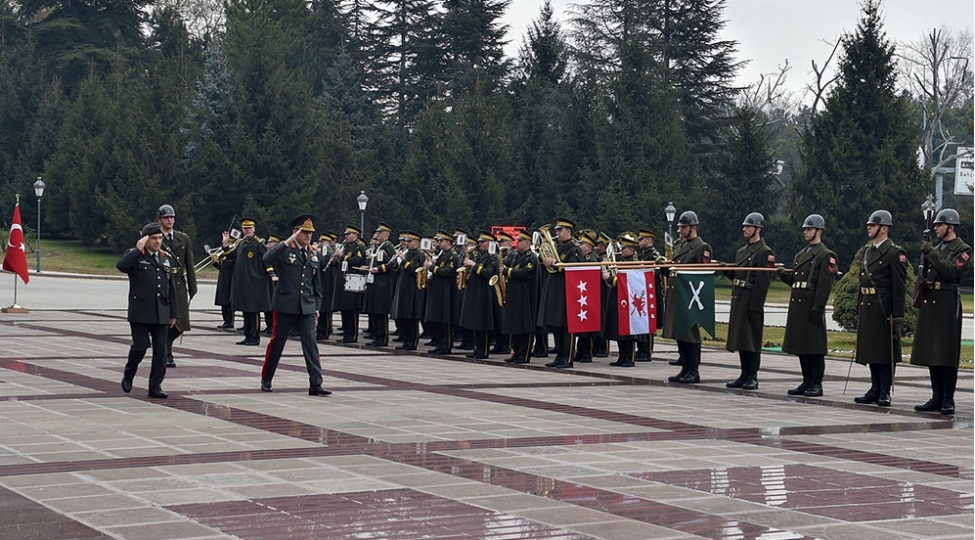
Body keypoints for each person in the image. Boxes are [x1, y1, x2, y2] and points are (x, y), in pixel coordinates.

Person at [260, 214, 331, 396]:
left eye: (310, 233)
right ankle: (267, 378)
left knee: (311, 345)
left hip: (306, 306)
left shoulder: (313, 254)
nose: (308, 236)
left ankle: (315, 383)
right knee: (277, 343)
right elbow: (267, 258)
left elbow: (317, 285)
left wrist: (316, 307)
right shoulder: (285, 250)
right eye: (304, 232)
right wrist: (286, 242)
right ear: (295, 232)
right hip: (285, 305)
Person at [910, 208, 971, 415]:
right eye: (935, 225)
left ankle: (947, 398)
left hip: (947, 302)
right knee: (932, 352)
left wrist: (930, 252)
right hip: (931, 300)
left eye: (940, 225)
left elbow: (951, 272)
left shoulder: (962, 249)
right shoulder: (937, 247)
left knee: (946, 352)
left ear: (951, 227)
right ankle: (936, 396)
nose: (936, 228)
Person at [777, 214, 838, 397]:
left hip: (812, 305)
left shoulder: (826, 255)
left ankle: (816, 383)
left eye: (809, 229)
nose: (805, 232)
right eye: (805, 229)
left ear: (819, 231)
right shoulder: (801, 254)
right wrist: (781, 274)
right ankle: (806, 380)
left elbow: (824, 285)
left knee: (814, 348)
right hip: (799, 306)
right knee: (802, 346)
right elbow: (796, 281)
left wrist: (818, 308)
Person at [853, 210, 908, 407]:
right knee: (871, 350)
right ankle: (874, 387)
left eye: (873, 224)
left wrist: (897, 315)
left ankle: (885, 389)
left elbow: (899, 288)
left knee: (885, 352)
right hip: (868, 306)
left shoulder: (894, 253)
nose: (869, 227)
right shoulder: (868, 252)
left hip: (884, 307)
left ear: (883, 228)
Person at [118, 222, 178, 399]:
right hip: (141, 312)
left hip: (161, 312)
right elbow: (121, 266)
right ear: (145, 239)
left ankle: (155, 387)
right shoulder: (135, 255)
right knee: (140, 347)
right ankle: (129, 374)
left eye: (160, 238)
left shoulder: (165, 258)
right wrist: (138, 249)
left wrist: (174, 312)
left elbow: (171, 287)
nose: (158, 241)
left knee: (161, 352)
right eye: (154, 238)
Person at [723, 212, 775, 390]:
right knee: (742, 339)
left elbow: (762, 283)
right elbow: (739, 276)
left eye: (748, 226)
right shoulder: (742, 251)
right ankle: (744, 373)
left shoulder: (765, 252)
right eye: (744, 226)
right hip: (739, 299)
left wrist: (755, 307)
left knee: (752, 340)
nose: (744, 229)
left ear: (758, 229)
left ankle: (752, 375)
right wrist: (726, 270)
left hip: (751, 300)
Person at [663, 210, 711, 383]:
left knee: (691, 334)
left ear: (693, 227)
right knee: (680, 333)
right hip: (678, 295)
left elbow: (702, 275)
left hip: (691, 296)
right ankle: (685, 367)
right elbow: (674, 270)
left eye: (683, 227)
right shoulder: (680, 246)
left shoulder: (701, 247)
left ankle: (693, 369)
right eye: (680, 227)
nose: (680, 230)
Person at [539, 218, 584, 369]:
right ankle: (560, 355)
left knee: (566, 326)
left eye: (559, 230)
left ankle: (568, 357)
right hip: (556, 290)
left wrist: (555, 264)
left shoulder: (574, 249)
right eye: (556, 230)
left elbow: (574, 268)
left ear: (568, 231)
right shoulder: (558, 247)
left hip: (568, 291)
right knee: (557, 325)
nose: (556, 233)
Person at [158, 204, 197, 368]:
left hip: (179, 283)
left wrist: (193, 287)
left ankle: (165, 346)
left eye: (172, 217)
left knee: (181, 321)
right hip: (163, 281)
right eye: (167, 217)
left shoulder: (183, 238)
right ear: (160, 219)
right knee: (166, 320)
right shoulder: (155, 237)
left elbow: (189, 263)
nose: (170, 220)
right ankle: (167, 352)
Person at [228, 218, 271, 346]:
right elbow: (231, 257)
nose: (247, 230)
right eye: (245, 228)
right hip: (243, 283)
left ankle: (254, 336)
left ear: (254, 229)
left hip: (255, 283)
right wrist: (225, 246)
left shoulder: (259, 244)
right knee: (245, 311)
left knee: (254, 311)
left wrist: (271, 274)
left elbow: (267, 261)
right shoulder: (241, 244)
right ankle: (247, 335)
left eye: (249, 228)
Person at [459, 231, 499, 358]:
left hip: (485, 294)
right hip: (475, 293)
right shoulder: (478, 256)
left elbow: (488, 273)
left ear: (489, 244)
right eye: (480, 242)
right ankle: (477, 348)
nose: (480, 244)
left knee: (483, 324)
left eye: (483, 242)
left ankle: (484, 350)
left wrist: (473, 265)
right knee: (476, 323)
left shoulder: (492, 257)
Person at [603, 233, 640, 367]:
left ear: (631, 249)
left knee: (628, 331)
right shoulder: (623, 262)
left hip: (629, 301)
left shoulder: (635, 263)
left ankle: (629, 357)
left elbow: (628, 281)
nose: (621, 250)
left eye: (624, 248)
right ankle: (622, 356)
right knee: (619, 329)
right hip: (619, 299)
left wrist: (610, 278)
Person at [501, 231, 538, 363]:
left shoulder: (530, 257)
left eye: (521, 241)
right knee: (515, 325)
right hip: (515, 296)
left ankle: (524, 353)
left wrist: (507, 271)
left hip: (525, 297)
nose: (518, 243)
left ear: (528, 243)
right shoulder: (517, 256)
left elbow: (525, 272)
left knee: (525, 326)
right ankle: (516, 351)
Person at [390, 231, 426, 350]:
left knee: (411, 317)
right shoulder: (408, 253)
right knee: (403, 316)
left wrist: (403, 260)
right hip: (403, 286)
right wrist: (395, 263)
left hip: (412, 288)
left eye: (409, 241)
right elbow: (398, 270)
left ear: (416, 242)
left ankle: (412, 341)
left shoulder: (419, 255)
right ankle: (405, 340)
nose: (406, 243)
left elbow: (414, 270)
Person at [424, 231, 459, 354]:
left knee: (445, 322)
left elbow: (446, 272)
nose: (438, 243)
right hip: (438, 291)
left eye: (441, 241)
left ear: (448, 242)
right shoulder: (442, 255)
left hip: (446, 292)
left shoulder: (452, 256)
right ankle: (439, 344)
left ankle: (446, 345)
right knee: (437, 320)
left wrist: (432, 267)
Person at [332, 225, 368, 343]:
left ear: (355, 235)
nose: (346, 236)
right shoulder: (346, 246)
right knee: (344, 309)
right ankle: (346, 333)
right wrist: (335, 260)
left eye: (348, 234)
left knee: (351, 310)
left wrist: (342, 256)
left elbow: (356, 262)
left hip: (353, 281)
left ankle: (352, 335)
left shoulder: (358, 248)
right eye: (346, 234)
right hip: (344, 280)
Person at [364, 223, 397, 346]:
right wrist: (367, 267)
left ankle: (382, 338)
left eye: (380, 232)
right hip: (374, 282)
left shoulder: (388, 246)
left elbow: (391, 263)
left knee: (381, 311)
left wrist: (379, 269)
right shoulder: (377, 247)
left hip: (383, 283)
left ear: (386, 234)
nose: (377, 235)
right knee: (375, 310)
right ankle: (376, 336)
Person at [212, 232, 235, 330]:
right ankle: (225, 320)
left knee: (228, 303)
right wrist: (215, 263)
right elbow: (222, 268)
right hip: (223, 280)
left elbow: (231, 265)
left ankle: (229, 321)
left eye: (229, 243)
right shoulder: (224, 256)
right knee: (222, 302)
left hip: (230, 281)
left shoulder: (232, 255)